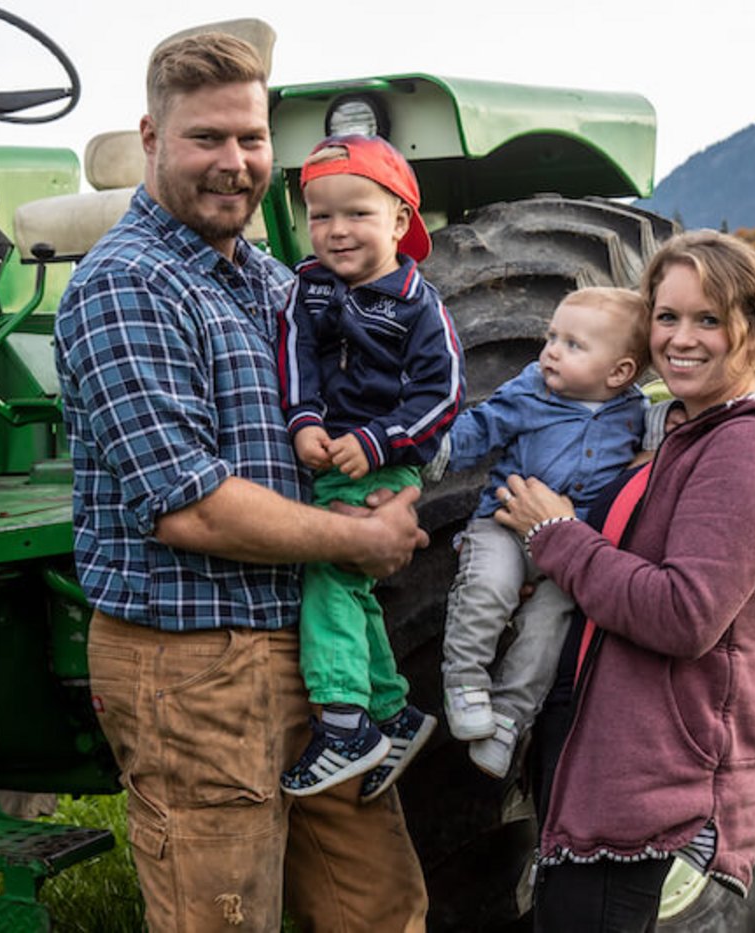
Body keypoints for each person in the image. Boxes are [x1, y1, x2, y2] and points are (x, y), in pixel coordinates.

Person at [53, 31, 429, 933]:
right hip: (196, 666)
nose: (235, 164)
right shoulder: (128, 286)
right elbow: (189, 507)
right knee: (222, 919)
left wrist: (394, 485)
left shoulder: (271, 280)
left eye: (252, 140)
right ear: (151, 135)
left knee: (378, 905)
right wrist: (362, 538)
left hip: (311, 642)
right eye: (206, 139)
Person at [492, 230, 755, 931]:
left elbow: (685, 612)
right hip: (610, 769)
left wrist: (556, 537)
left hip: (658, 792)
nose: (682, 338)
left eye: (708, 319)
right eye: (667, 317)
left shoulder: (750, 447)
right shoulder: (680, 430)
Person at [276, 134, 463, 799]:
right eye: (320, 215)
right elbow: (295, 357)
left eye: (357, 213)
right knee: (353, 594)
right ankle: (393, 713)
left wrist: (380, 442)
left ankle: (344, 724)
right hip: (329, 454)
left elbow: (441, 395)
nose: (336, 230)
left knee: (328, 576)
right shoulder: (309, 286)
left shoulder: (418, 304)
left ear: (401, 221)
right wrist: (302, 421)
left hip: (385, 462)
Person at [428, 287, 649, 778]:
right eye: (552, 336)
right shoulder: (531, 389)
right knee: (489, 588)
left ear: (619, 373)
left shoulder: (636, 415)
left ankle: (509, 716)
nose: (551, 349)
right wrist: (433, 452)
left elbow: (662, 448)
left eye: (573, 344)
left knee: (550, 625)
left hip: (568, 548)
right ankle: (465, 681)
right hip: (504, 526)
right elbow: (483, 426)